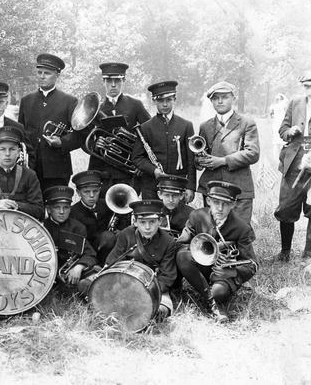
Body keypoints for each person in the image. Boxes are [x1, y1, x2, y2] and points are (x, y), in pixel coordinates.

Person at [176, 181, 258, 322]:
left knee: (219, 292)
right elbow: (183, 240)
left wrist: (232, 272)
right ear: (208, 201)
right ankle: (213, 303)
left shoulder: (242, 228)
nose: (220, 208)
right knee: (182, 256)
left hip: (224, 273)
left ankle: (215, 296)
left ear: (233, 204)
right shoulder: (197, 216)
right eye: (215, 202)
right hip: (202, 267)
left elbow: (253, 265)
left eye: (225, 204)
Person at [101, 199, 177, 321]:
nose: (147, 227)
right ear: (135, 222)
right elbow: (112, 262)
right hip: (125, 284)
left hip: (153, 288)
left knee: (162, 311)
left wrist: (145, 291)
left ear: (160, 222)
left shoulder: (168, 242)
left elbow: (167, 277)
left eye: (152, 222)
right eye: (142, 222)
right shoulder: (126, 235)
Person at [196, 81, 260, 224]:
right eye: (215, 98)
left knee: (240, 231)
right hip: (212, 188)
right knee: (213, 231)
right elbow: (200, 154)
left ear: (233, 98)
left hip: (239, 188)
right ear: (211, 101)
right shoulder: (205, 126)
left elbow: (253, 153)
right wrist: (199, 160)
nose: (220, 101)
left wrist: (222, 161)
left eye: (224, 97)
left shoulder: (246, 123)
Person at [18, 53, 81, 191]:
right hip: (30, 168)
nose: (42, 76)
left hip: (57, 169)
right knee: (33, 210)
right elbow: (20, 133)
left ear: (57, 75)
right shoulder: (26, 100)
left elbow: (78, 135)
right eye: (39, 72)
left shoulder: (69, 101)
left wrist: (62, 142)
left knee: (58, 208)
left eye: (47, 73)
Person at [88, 62, 150, 193]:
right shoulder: (94, 108)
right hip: (102, 170)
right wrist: (95, 144)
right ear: (103, 81)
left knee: (126, 209)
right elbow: (83, 138)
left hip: (128, 172)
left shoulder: (135, 105)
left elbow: (150, 133)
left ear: (124, 80)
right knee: (102, 209)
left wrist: (142, 162)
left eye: (117, 80)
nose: (113, 85)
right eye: (109, 81)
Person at [133, 81, 196, 201]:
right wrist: (154, 170)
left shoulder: (186, 125)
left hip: (178, 186)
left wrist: (190, 187)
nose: (165, 104)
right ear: (154, 101)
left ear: (175, 99)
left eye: (169, 100)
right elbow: (137, 158)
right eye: (160, 101)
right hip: (152, 187)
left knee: (178, 219)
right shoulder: (145, 127)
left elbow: (190, 159)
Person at [274, 72, 311, 262]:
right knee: (286, 207)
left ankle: (308, 254)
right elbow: (282, 130)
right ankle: (285, 252)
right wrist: (290, 131)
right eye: (307, 86)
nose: (310, 90)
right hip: (295, 161)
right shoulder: (296, 103)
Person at [0, 126, 43, 220]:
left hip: (21, 228)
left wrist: (16, 205)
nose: (7, 154)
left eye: (12, 149)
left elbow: (39, 211)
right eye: (2, 149)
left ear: (18, 152)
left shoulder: (30, 175)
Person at [43, 185, 98, 290]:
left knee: (93, 276)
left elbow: (90, 254)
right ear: (49, 210)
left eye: (66, 207)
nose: (62, 212)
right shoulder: (42, 227)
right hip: (46, 272)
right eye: (57, 207)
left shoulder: (78, 227)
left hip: (71, 272)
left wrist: (79, 267)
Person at [69, 170, 128, 265]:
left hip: (110, 250)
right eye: (86, 192)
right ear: (78, 193)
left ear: (100, 190)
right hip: (87, 252)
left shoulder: (108, 204)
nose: (92, 196)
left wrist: (120, 230)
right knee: (108, 237)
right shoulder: (73, 212)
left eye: (95, 191)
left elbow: (123, 216)